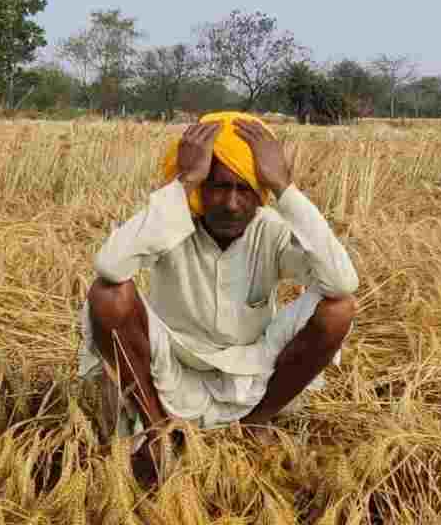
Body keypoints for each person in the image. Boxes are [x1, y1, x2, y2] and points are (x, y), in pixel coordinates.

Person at [77, 111, 359, 486]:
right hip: (168, 370)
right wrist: (184, 179)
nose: (230, 203)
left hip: (251, 374)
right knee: (107, 296)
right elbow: (111, 268)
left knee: (338, 309)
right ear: (197, 192)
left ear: (260, 194)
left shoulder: (270, 230)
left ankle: (257, 421)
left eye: (244, 189)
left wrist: (285, 188)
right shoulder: (170, 222)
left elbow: (340, 282)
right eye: (216, 186)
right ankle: (156, 428)